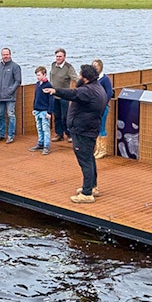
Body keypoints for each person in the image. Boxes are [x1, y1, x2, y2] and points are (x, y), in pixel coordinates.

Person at [44, 64, 108, 203]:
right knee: (89, 159)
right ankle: (92, 187)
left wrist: (55, 91)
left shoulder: (87, 91)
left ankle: (86, 194)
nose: (78, 77)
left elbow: (72, 93)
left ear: (85, 78)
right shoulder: (97, 88)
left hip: (83, 130)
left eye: (80, 75)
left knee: (85, 161)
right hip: (89, 129)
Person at [0, 47, 21, 144]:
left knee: (11, 115)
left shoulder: (15, 66)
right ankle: (1, 134)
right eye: (4, 55)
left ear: (10, 55)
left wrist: (10, 90)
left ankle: (11, 135)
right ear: (1, 55)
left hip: (10, 97)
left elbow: (18, 81)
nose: (5, 56)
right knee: (0, 115)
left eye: (7, 54)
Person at [49, 48, 77, 142]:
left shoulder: (68, 67)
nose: (58, 58)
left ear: (64, 57)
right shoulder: (53, 65)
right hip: (54, 95)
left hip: (64, 96)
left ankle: (69, 134)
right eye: (57, 56)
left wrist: (83, 85)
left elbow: (75, 78)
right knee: (57, 115)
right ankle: (59, 134)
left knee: (65, 116)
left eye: (60, 56)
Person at [29, 66, 56, 155]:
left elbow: (51, 100)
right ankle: (40, 144)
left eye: (39, 75)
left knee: (45, 129)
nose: (38, 77)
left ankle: (46, 146)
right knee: (39, 128)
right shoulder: (37, 84)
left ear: (44, 74)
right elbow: (36, 97)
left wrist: (49, 112)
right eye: (37, 75)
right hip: (37, 110)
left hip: (45, 111)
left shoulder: (48, 85)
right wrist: (34, 108)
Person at [92, 59, 114, 159]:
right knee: (96, 127)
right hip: (94, 106)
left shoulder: (105, 79)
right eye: (93, 66)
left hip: (103, 106)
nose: (95, 67)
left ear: (101, 66)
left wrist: (104, 102)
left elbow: (109, 92)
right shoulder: (93, 79)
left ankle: (103, 150)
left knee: (102, 127)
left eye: (96, 66)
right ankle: (98, 149)